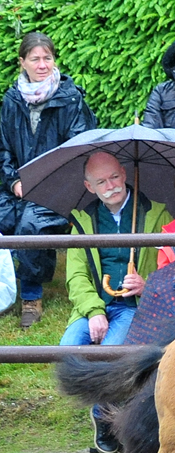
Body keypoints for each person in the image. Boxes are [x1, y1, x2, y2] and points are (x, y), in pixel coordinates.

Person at [62, 152, 171, 453]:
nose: (110, 185)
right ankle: (108, 408)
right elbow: (76, 277)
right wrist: (95, 312)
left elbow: (172, 266)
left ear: (124, 174)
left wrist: (146, 284)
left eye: (113, 177)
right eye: (101, 181)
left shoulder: (156, 215)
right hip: (92, 306)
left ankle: (103, 416)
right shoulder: (83, 222)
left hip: (132, 307)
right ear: (89, 187)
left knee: (113, 353)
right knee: (67, 349)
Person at [0, 32, 96, 328]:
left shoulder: (71, 99)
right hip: (16, 185)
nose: (42, 65)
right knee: (5, 216)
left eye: (47, 58)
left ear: (54, 60)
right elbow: (3, 148)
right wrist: (13, 181)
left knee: (31, 224)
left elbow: (78, 152)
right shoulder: (11, 99)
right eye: (35, 59)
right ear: (22, 62)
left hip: (59, 187)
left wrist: (39, 183)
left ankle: (31, 296)